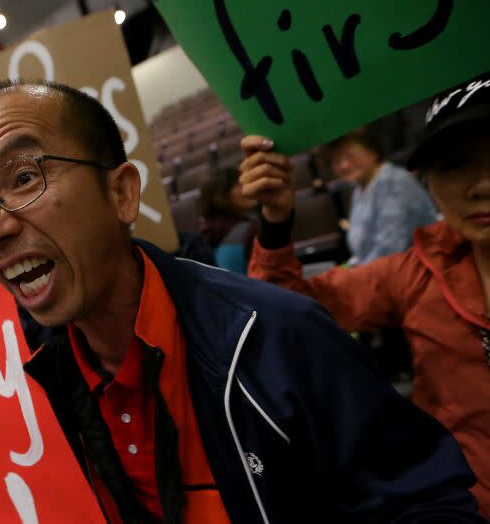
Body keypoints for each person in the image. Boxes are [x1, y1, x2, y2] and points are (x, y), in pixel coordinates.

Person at [0, 79, 484, 522]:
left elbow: (429, 505)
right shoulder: (19, 372)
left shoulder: (274, 335)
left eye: (24, 177)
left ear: (121, 194)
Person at [244, 74, 490, 516]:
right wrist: (277, 222)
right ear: (430, 181)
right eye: (456, 164)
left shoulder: (391, 188)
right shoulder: (415, 273)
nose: (483, 185)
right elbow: (285, 310)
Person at [321, 125, 437, 265]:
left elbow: (390, 251)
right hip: (379, 273)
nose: (344, 165)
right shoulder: (360, 187)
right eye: (336, 160)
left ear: (372, 152)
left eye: (349, 155)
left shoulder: (394, 182)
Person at [198, 166, 258, 273]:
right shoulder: (249, 230)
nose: (248, 188)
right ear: (221, 195)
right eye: (239, 185)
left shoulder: (207, 232)